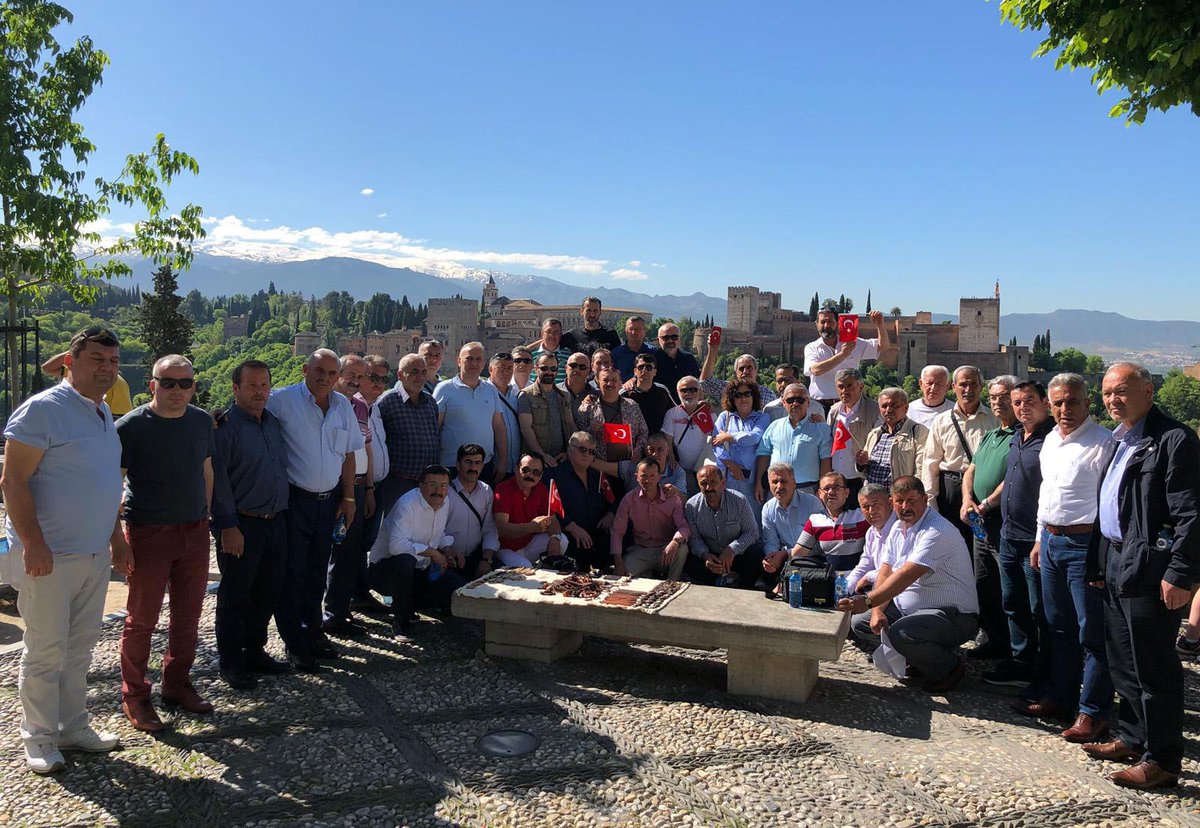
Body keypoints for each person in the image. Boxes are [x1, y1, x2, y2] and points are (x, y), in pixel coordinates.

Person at [3, 326, 124, 774]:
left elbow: (106, 484)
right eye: (96, 359)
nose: (106, 368)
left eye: (112, 361)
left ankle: (73, 726)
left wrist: (115, 539)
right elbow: (12, 481)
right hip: (49, 557)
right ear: (70, 361)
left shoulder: (102, 412)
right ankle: (38, 737)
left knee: (80, 648)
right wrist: (33, 543)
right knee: (46, 649)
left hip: (93, 556)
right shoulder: (43, 411)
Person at [1082, 363, 1200, 790]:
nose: (1113, 399)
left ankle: (1163, 758)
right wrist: (1097, 563)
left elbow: (1190, 514)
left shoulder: (1174, 440)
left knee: (1155, 667)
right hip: (1115, 560)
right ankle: (1133, 737)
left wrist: (1181, 573)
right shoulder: (1121, 440)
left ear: (1149, 391)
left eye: (1122, 391)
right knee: (1122, 658)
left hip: (1151, 569)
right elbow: (1111, 506)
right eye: (1108, 392)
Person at [115, 355, 216, 731]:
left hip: (193, 531)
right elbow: (115, 485)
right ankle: (135, 697)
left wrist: (204, 517)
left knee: (188, 619)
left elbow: (206, 471)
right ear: (152, 383)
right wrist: (118, 541)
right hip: (148, 532)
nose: (177, 390)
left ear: (194, 385)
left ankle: (176, 685)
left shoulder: (202, 421)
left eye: (185, 383)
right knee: (141, 621)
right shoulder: (131, 427)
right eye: (168, 382)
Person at [1013, 373, 1113, 745]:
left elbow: (1109, 507)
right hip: (1052, 543)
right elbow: (1047, 494)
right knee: (1057, 627)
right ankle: (1060, 697)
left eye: (1072, 402)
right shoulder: (1052, 439)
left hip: (1085, 546)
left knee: (1092, 633)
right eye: (1057, 403)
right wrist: (1041, 538)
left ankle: (1093, 710)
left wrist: (1101, 558)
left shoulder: (1104, 443)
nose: (1064, 409)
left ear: (1088, 403)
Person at [267, 349, 363, 673]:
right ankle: (295, 643)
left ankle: (313, 633)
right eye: (318, 370)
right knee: (292, 575)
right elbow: (248, 415)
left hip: (329, 502)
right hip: (295, 501)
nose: (324, 378)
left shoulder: (342, 406)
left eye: (331, 373)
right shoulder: (282, 401)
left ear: (338, 376)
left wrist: (348, 499)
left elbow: (349, 454)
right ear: (305, 369)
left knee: (316, 573)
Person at [838, 476, 979, 693]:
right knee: (862, 623)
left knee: (902, 633)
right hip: (913, 611)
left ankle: (950, 667)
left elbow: (907, 574)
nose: (906, 507)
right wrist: (876, 610)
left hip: (955, 616)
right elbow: (886, 571)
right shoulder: (897, 528)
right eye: (900, 501)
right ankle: (921, 659)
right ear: (892, 502)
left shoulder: (937, 530)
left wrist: (867, 600)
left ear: (925, 500)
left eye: (912, 500)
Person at [210, 360, 293, 692]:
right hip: (242, 523)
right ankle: (231, 662)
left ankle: (255, 651)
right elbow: (218, 482)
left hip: (275, 520)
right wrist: (228, 526)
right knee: (234, 595)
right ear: (235, 389)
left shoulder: (272, 422)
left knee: (267, 590)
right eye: (252, 386)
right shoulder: (225, 427)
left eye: (264, 385)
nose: (260, 392)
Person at [983, 381, 1054, 691]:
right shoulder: (1017, 436)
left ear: (1045, 403)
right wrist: (986, 504)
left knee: (1039, 609)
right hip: (1008, 534)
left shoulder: (1052, 439)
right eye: (1017, 402)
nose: (1022, 407)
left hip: (1034, 539)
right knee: (1013, 602)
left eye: (1029, 401)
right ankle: (1021, 661)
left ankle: (1045, 669)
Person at [959, 375, 1019, 661]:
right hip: (980, 522)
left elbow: (1013, 476)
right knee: (985, 583)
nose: (997, 402)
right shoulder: (993, 434)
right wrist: (966, 499)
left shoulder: (1022, 436)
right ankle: (994, 641)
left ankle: (1016, 653)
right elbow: (971, 469)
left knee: (1010, 588)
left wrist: (987, 503)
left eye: (1003, 396)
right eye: (993, 397)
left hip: (1001, 521)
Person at [367, 466, 467, 637]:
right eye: (432, 484)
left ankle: (414, 605)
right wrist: (434, 553)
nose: (438, 490)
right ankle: (400, 621)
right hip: (385, 571)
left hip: (420, 570)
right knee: (405, 560)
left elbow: (437, 535)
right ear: (420, 486)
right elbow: (397, 547)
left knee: (457, 590)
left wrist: (449, 549)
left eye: (443, 485)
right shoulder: (408, 505)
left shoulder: (445, 501)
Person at [323, 355, 377, 637]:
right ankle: (326, 616)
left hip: (356, 487)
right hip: (333, 488)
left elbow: (365, 450)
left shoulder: (360, 406)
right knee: (329, 551)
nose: (356, 380)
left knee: (349, 554)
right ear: (338, 373)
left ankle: (340, 612)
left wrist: (368, 488)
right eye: (351, 374)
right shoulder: (325, 403)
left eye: (362, 375)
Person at [921, 365, 999, 549]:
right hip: (951, 490)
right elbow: (930, 462)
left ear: (981, 387)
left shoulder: (994, 419)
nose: (968, 390)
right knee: (952, 546)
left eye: (973, 384)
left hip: (983, 490)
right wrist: (931, 501)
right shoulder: (942, 421)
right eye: (963, 385)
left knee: (985, 546)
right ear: (953, 386)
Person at [376, 353, 440, 515]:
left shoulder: (430, 402)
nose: (420, 377)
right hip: (398, 481)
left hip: (426, 482)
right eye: (414, 372)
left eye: (423, 372)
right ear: (400, 375)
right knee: (394, 528)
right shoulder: (387, 401)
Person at [434, 342, 508, 481]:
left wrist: (503, 461)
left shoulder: (490, 389)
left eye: (478, 359)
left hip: (484, 465)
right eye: (469, 358)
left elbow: (499, 427)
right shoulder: (444, 389)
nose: (474, 363)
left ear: (484, 363)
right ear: (459, 361)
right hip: (452, 466)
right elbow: (434, 428)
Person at [352, 355, 392, 614]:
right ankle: (345, 599)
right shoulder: (352, 406)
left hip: (375, 486)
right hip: (357, 487)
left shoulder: (376, 407)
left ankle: (358, 593)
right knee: (350, 547)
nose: (378, 383)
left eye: (383, 379)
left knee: (362, 545)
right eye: (373, 377)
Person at [683, 465, 763, 588]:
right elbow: (694, 538)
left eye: (713, 482)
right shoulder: (691, 506)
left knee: (756, 553)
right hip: (710, 555)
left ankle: (745, 588)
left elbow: (752, 532)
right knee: (689, 558)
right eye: (704, 483)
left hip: (736, 555)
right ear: (698, 485)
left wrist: (731, 550)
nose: (709, 487)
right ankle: (709, 585)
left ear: (723, 482)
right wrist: (705, 555)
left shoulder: (739, 501)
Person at [611, 457, 690, 579]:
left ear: (659, 477)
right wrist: (618, 563)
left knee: (682, 548)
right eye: (643, 476)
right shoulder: (629, 499)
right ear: (636, 476)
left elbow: (683, 527)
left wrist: (674, 542)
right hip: (641, 551)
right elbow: (617, 531)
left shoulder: (672, 498)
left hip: (665, 550)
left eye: (652, 476)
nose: (647, 480)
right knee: (622, 577)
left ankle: (672, 583)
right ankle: (647, 573)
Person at [803, 303, 893, 410]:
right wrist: (842, 355)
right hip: (820, 406)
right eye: (823, 322)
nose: (826, 326)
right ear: (816, 324)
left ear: (837, 323)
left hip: (848, 405)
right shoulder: (812, 347)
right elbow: (816, 370)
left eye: (830, 322)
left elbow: (883, 346)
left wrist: (880, 324)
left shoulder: (852, 343)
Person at [549, 432, 616, 571]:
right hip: (570, 536)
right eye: (582, 449)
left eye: (591, 451)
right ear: (570, 450)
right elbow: (550, 509)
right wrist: (571, 526)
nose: (587, 454)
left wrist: (610, 514)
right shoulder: (555, 475)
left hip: (596, 536)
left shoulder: (597, 476)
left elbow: (612, 501)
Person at [754, 383, 833, 499]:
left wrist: (822, 490)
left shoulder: (821, 429)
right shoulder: (774, 427)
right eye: (790, 400)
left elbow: (825, 462)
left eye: (800, 400)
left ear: (808, 403)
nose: (795, 404)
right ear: (784, 403)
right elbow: (764, 455)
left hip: (809, 491)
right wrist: (759, 484)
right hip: (777, 490)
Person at [493, 453, 568, 567]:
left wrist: (555, 538)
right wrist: (531, 527)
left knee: (561, 540)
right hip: (505, 549)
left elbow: (553, 520)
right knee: (526, 568)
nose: (530, 475)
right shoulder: (503, 489)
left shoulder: (541, 488)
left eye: (536, 472)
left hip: (528, 544)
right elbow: (502, 529)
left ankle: (546, 568)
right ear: (516, 469)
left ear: (541, 475)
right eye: (526, 470)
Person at [760, 463, 824, 595]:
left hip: (812, 557)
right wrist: (771, 559)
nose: (779, 486)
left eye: (783, 481)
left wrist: (785, 554)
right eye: (775, 482)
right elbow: (770, 542)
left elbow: (819, 545)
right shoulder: (768, 508)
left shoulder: (812, 504)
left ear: (794, 483)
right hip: (786, 560)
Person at [790, 472, 870, 573]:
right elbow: (797, 553)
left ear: (846, 493)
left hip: (858, 581)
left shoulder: (862, 516)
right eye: (826, 488)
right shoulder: (815, 520)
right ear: (819, 494)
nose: (831, 492)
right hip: (828, 581)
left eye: (836, 488)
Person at [444, 444, 500, 579]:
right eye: (468, 462)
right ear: (458, 465)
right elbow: (435, 529)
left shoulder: (486, 491)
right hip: (449, 559)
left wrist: (486, 560)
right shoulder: (446, 491)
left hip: (478, 558)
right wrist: (447, 550)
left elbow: (490, 529)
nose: (473, 468)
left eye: (478, 463)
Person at [826, 368, 882, 502]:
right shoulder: (834, 410)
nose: (844, 391)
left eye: (849, 386)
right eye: (841, 386)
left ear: (861, 386)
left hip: (860, 479)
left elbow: (880, 443)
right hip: (836, 480)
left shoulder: (875, 410)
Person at [712, 380, 770, 508]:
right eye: (738, 395)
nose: (743, 398)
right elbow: (716, 443)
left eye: (747, 394)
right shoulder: (724, 417)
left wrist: (729, 436)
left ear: (753, 396)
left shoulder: (763, 417)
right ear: (732, 399)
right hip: (729, 478)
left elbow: (754, 438)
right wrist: (730, 464)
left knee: (754, 519)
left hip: (754, 480)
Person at [859, 388, 927, 489]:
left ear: (906, 407)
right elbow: (864, 471)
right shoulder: (874, 433)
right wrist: (860, 464)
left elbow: (921, 469)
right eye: (884, 406)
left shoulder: (918, 431)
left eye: (895, 405)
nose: (889, 410)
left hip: (900, 497)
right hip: (873, 498)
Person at [578, 367, 648, 464]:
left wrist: (639, 449)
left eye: (614, 380)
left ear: (620, 383)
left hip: (627, 465)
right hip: (598, 466)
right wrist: (590, 429)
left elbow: (643, 431)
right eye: (605, 380)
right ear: (598, 382)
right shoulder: (587, 407)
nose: (610, 384)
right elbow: (577, 436)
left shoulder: (632, 405)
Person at [519, 352, 576, 467]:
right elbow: (526, 429)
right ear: (536, 368)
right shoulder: (525, 395)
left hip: (562, 459)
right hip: (536, 462)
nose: (549, 372)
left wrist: (569, 451)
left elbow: (570, 425)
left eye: (553, 368)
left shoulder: (564, 396)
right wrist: (542, 455)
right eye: (544, 368)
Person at [40, 349, 133, 417]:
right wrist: (75, 349)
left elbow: (121, 417)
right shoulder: (75, 373)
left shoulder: (117, 382)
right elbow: (47, 368)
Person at [843, 483, 899, 594]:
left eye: (875, 504)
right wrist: (844, 590)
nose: (871, 511)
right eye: (865, 507)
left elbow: (900, 569)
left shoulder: (902, 528)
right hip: (879, 591)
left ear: (890, 503)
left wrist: (869, 576)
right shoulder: (871, 532)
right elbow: (864, 565)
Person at [663, 376, 715, 495]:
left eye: (693, 390)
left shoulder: (707, 412)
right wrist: (671, 457)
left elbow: (716, 437)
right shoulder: (672, 414)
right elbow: (668, 439)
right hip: (682, 470)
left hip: (703, 469)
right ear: (678, 392)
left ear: (699, 391)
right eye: (684, 390)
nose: (688, 393)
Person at [698, 341, 778, 406]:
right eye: (741, 368)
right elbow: (705, 382)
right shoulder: (728, 389)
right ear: (736, 372)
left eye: (749, 368)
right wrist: (712, 350)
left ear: (756, 371)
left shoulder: (768, 394)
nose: (745, 371)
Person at [488, 352, 522, 480]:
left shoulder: (516, 393)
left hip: (517, 467)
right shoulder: (483, 392)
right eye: (501, 368)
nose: (506, 372)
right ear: (491, 369)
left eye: (509, 368)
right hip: (494, 464)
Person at [623, 352, 676, 434]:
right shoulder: (625, 394)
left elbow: (675, 413)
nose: (645, 370)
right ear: (635, 371)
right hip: (633, 443)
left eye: (649, 367)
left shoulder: (662, 391)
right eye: (641, 367)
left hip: (657, 443)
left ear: (655, 372)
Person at [651, 322, 700, 403]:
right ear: (658, 339)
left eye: (674, 337)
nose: (670, 340)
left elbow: (698, 385)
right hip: (660, 410)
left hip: (686, 410)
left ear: (679, 339)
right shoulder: (652, 360)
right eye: (666, 337)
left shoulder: (689, 358)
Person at [557, 352, 594, 428]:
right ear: (566, 368)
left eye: (582, 367)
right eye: (573, 366)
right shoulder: (554, 391)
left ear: (588, 371)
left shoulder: (597, 395)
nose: (577, 370)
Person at [531, 318, 573, 384]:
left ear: (561, 335)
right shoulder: (530, 355)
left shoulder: (569, 356)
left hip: (562, 393)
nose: (552, 335)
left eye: (556, 332)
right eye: (549, 332)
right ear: (542, 334)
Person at [612, 315, 653, 380]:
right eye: (630, 329)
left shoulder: (653, 353)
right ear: (625, 331)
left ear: (645, 332)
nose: (633, 332)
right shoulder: (615, 354)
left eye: (637, 329)